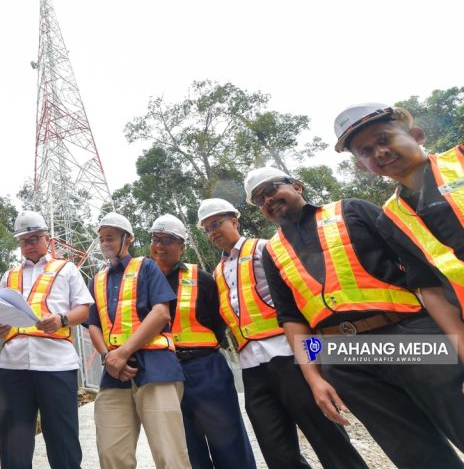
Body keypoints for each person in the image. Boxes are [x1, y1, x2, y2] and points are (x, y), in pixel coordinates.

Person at [246, 165, 464, 468]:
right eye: (259, 200)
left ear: (296, 186)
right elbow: (294, 321)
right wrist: (313, 378)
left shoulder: (352, 210)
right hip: (344, 356)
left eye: (271, 190)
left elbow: (422, 269)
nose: (267, 201)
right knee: (413, 453)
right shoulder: (272, 252)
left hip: (405, 333)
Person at [198, 198, 367, 469]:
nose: (212, 232)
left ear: (234, 220)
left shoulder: (264, 248)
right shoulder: (218, 271)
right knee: (277, 451)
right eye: (207, 229)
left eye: (216, 223)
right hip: (253, 367)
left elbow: (299, 301)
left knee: (329, 440)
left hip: (290, 356)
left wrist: (316, 360)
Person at [334, 102, 464, 357]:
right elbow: (431, 289)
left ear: (416, 136)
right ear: (362, 167)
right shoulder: (391, 218)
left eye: (384, 139)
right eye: (366, 151)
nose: (380, 152)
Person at [148, 213, 255, 469]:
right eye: (155, 239)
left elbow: (220, 321)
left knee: (227, 438)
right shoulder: (142, 280)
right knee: (185, 446)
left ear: (182, 246)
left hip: (206, 368)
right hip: (163, 372)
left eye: (168, 240)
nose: (160, 245)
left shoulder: (203, 279)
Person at [86, 211, 191, 469]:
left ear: (128, 239)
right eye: (101, 239)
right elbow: (93, 325)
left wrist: (122, 352)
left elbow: (160, 313)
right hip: (114, 374)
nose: (105, 243)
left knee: (170, 455)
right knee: (112, 455)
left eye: (110, 237)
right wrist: (108, 357)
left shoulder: (147, 267)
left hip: (156, 368)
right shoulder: (96, 280)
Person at [0, 210, 92, 469]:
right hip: (13, 365)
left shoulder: (66, 269)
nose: (29, 244)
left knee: (62, 439)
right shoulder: (9, 275)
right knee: (14, 441)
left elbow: (84, 309)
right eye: (24, 240)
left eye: (35, 238)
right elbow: (0, 314)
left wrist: (61, 319)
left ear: (48, 238)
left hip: (55, 364)